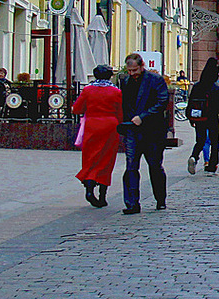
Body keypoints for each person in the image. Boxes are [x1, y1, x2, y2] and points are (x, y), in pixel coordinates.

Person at [118, 52, 170, 214]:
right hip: (132, 131)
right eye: (129, 71)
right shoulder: (125, 81)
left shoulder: (155, 80)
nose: (132, 73)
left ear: (142, 66)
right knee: (131, 167)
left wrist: (143, 117)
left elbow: (162, 102)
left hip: (153, 131)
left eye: (134, 70)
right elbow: (124, 104)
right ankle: (132, 203)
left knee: (154, 166)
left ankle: (160, 199)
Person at [71, 64, 122, 207]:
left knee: (90, 157)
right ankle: (102, 195)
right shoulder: (116, 91)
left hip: (92, 125)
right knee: (106, 159)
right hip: (110, 126)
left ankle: (89, 186)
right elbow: (120, 112)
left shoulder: (88, 90)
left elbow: (77, 109)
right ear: (110, 76)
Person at [186, 58, 219, 175]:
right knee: (215, 142)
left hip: (200, 117)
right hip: (213, 117)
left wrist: (190, 118)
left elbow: (191, 102)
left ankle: (194, 156)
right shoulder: (217, 87)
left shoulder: (197, 86)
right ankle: (212, 165)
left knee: (200, 140)